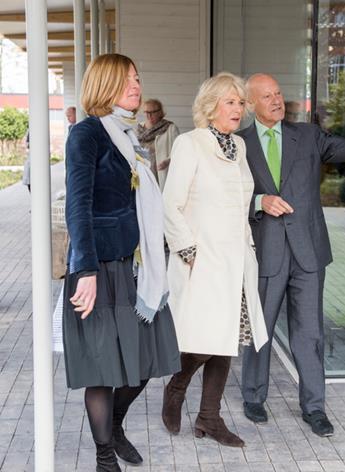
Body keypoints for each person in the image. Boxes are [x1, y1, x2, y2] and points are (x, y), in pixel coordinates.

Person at [239, 73, 345, 437]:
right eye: (266, 96)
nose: (276, 100)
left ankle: (314, 407)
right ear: (251, 104)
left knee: (310, 332)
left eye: (279, 93)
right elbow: (223, 195)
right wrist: (258, 201)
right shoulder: (239, 145)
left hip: (309, 252)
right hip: (265, 252)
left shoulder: (309, 136)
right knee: (260, 328)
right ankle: (253, 396)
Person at [63, 53, 180, 471]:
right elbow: (77, 207)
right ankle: (104, 455)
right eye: (129, 78)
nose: (137, 84)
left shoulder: (128, 135)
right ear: (106, 84)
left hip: (134, 268)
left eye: (137, 76)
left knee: (147, 360)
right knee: (101, 367)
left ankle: (114, 425)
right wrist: (87, 270)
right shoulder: (88, 134)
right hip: (99, 269)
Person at [161, 72, 268, 448]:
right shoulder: (191, 144)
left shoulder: (238, 146)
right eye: (230, 102)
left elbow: (239, 205)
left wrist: (249, 248)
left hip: (236, 259)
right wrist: (188, 250)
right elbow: (170, 203)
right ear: (211, 107)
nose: (238, 108)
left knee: (227, 340)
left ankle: (209, 419)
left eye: (241, 102)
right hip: (203, 259)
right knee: (203, 339)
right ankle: (177, 387)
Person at [137, 98, 179, 190]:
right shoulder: (140, 128)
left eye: (153, 112)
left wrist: (168, 161)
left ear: (160, 112)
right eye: (146, 112)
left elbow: (178, 152)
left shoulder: (170, 128)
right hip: (144, 173)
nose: (149, 116)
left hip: (161, 172)